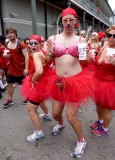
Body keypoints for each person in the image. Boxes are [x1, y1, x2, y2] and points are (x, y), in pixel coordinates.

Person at [46, 7, 94, 159]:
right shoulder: (53, 39)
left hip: (76, 82)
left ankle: (81, 141)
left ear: (75, 22)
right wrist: (49, 54)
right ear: (62, 21)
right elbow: (48, 61)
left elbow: (85, 62)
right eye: (65, 20)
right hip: (58, 82)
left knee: (71, 117)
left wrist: (88, 56)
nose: (67, 23)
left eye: (70, 20)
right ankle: (59, 123)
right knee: (55, 114)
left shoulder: (80, 40)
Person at [21, 35, 53, 142]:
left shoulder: (37, 54)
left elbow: (39, 71)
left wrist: (32, 80)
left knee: (31, 109)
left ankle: (38, 133)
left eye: (36, 43)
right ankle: (47, 115)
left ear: (40, 44)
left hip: (39, 84)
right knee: (41, 101)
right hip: (43, 83)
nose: (33, 45)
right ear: (28, 45)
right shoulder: (36, 53)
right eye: (31, 43)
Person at [90, 25, 115, 136]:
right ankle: (100, 121)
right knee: (98, 104)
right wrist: (94, 56)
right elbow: (99, 63)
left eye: (114, 36)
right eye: (109, 35)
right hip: (98, 81)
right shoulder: (105, 47)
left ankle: (105, 129)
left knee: (106, 109)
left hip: (109, 84)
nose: (111, 38)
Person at [2, 27, 29, 108]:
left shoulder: (20, 43)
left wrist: (26, 68)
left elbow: (27, 56)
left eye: (11, 32)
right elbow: (10, 55)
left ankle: (28, 97)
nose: (9, 34)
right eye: (8, 33)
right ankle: (10, 99)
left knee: (25, 84)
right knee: (9, 83)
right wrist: (7, 56)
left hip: (21, 68)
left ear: (15, 33)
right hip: (12, 68)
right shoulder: (7, 44)